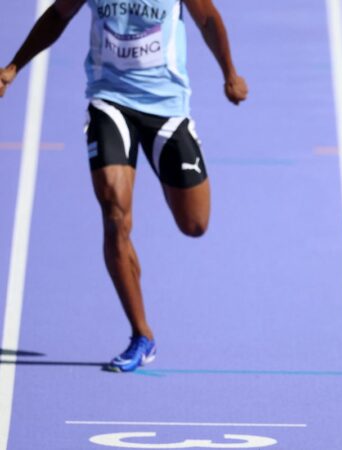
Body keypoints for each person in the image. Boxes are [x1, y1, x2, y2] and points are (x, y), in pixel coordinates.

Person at [0, 0, 248, 372]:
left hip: (167, 106)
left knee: (194, 224)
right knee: (115, 215)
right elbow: (57, 15)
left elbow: (208, 19)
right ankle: (141, 334)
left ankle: (128, 265)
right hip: (109, 100)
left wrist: (230, 72)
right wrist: (14, 67)